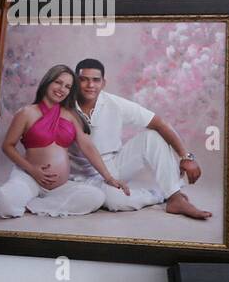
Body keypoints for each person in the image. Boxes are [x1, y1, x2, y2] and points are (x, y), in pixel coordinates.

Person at [0, 65, 123, 219]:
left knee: (96, 197)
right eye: (58, 82)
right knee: (3, 205)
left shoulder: (70, 115)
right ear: (48, 82)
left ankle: (28, 203)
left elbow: (87, 147)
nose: (62, 89)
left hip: (60, 186)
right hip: (29, 177)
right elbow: (7, 146)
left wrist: (109, 177)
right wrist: (33, 170)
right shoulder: (27, 113)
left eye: (67, 86)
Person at [67, 58, 211, 219]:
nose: (90, 85)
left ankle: (175, 197)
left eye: (95, 80)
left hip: (114, 165)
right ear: (75, 81)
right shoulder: (65, 105)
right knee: (116, 202)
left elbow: (160, 123)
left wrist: (186, 157)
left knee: (152, 136)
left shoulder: (114, 103)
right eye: (83, 80)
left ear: (103, 83)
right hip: (80, 176)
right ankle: (159, 195)